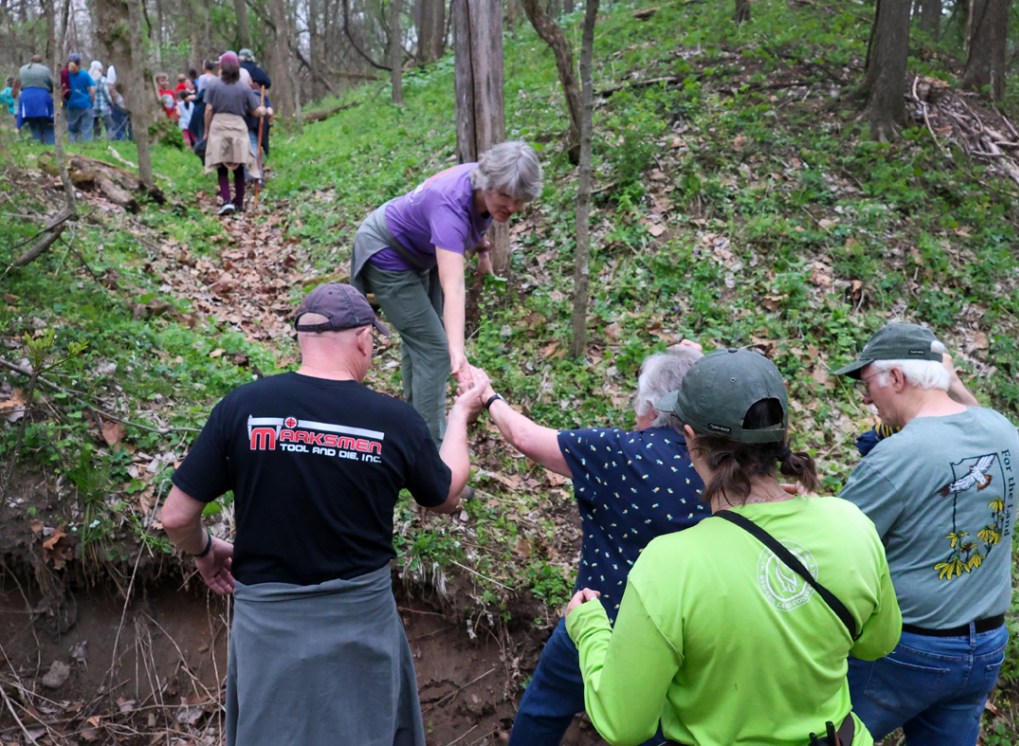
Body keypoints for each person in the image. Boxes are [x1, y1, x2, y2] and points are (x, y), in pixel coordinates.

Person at [158, 282, 487, 746]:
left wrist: (205, 550)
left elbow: (175, 517)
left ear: (302, 339)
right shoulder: (394, 421)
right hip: (360, 627)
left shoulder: (243, 408)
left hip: (268, 630)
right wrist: (459, 417)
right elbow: (445, 495)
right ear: (363, 340)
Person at [565, 348, 902, 746]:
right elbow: (878, 643)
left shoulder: (670, 564)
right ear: (780, 436)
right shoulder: (851, 524)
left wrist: (589, 628)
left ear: (691, 440)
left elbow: (624, 724)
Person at [474, 343, 709, 746]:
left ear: (651, 406)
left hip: (594, 619)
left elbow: (524, 436)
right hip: (670, 638)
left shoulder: (615, 453)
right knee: (652, 728)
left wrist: (489, 396)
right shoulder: (720, 467)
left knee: (544, 708)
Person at [834, 322, 1019, 746]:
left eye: (867, 382)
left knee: (836, 736)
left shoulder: (897, 456)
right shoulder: (1002, 431)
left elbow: (835, 543)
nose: (866, 398)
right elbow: (975, 413)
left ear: (897, 378)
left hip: (908, 652)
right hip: (986, 648)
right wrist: (952, 381)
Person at [350, 140, 543, 446]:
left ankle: (413, 429)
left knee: (423, 344)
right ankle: (433, 454)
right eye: (505, 197)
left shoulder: (487, 187)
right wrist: (456, 350)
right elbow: (453, 286)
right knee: (436, 351)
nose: (511, 207)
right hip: (388, 252)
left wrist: (483, 251)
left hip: (420, 252)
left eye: (519, 200)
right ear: (487, 182)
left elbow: (476, 220)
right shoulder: (449, 205)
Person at [203, 51, 265, 215]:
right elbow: (255, 111)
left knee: (221, 166)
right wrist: (264, 110)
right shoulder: (244, 87)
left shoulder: (213, 85)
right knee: (239, 165)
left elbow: (208, 109)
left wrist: (206, 130)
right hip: (238, 127)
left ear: (222, 67)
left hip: (219, 127)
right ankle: (239, 202)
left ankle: (226, 201)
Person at [18, 54, 55, 144]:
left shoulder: (22, 69)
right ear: (40, 61)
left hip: (26, 97)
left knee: (32, 122)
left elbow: (19, 83)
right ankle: (50, 143)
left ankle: (36, 143)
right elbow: (51, 84)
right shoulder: (45, 70)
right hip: (42, 97)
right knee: (47, 122)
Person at [65, 53, 95, 143]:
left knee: (72, 130)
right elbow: (92, 90)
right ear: (79, 64)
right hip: (85, 104)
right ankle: (87, 148)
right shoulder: (84, 74)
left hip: (72, 105)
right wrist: (91, 101)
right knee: (86, 130)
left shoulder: (65, 75)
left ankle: (72, 147)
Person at [89, 60, 113, 140]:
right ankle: (110, 140)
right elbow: (106, 93)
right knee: (109, 125)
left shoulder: (89, 79)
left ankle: (96, 141)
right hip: (103, 107)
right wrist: (110, 101)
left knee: (96, 127)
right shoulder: (103, 80)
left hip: (93, 107)